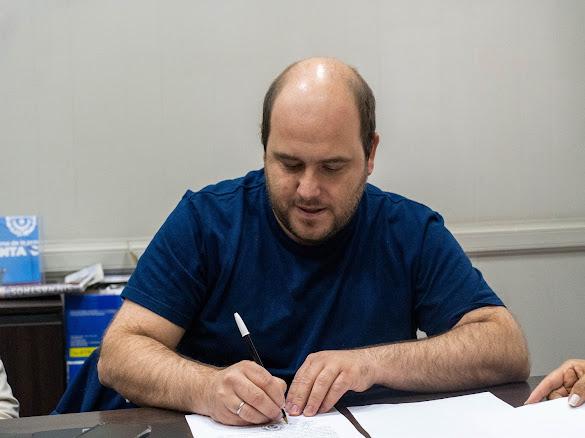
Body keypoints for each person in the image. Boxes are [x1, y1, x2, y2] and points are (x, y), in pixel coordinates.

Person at [98, 57, 530, 426]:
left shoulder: (408, 232)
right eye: (288, 164)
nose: (307, 190)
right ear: (264, 148)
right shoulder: (206, 222)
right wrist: (207, 388)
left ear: (370, 154)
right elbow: (119, 353)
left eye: (332, 167)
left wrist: (372, 363)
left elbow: (504, 347)